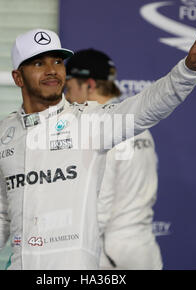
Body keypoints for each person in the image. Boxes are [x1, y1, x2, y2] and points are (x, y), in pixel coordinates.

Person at [0, 14, 196, 270]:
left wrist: (188, 70)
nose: (52, 70)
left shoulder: (89, 122)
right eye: (39, 63)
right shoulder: (3, 133)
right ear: (18, 78)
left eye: (57, 61)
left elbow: (147, 106)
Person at [64, 49, 163, 270]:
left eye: (68, 85)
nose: (66, 96)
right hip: (144, 250)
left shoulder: (101, 129)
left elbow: (101, 200)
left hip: (109, 253)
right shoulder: (138, 126)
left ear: (88, 84)